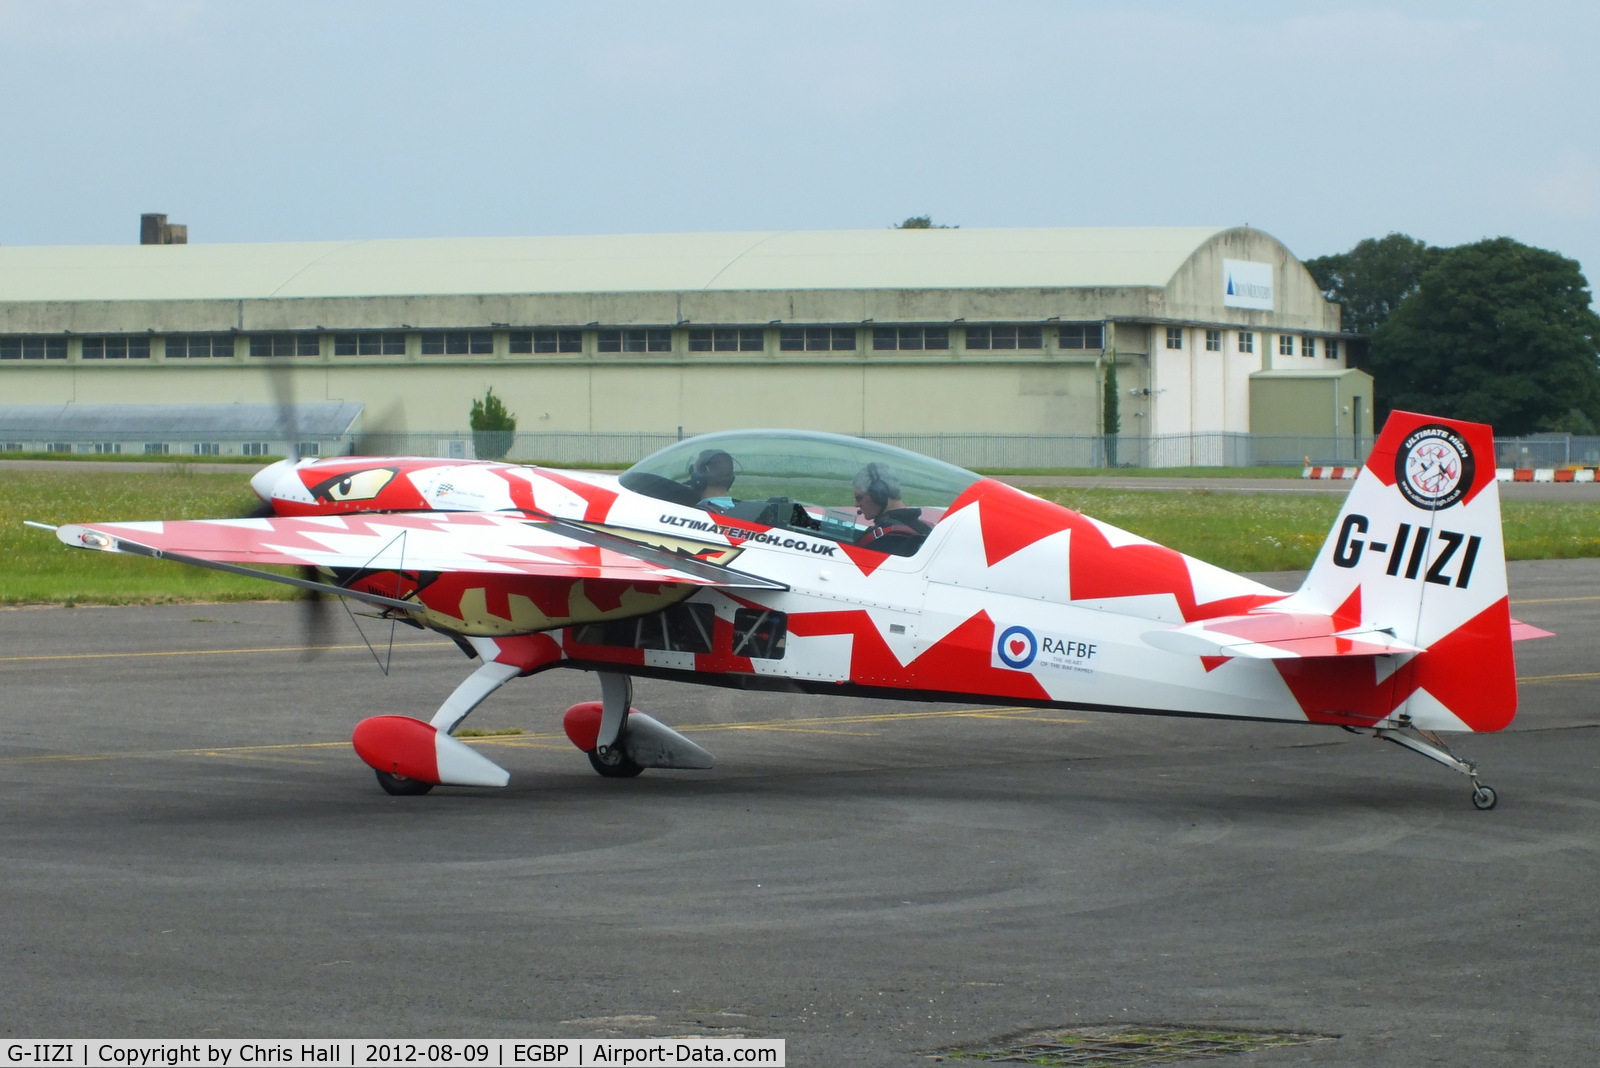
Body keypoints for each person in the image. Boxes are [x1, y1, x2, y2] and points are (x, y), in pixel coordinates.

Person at [851, 462, 932, 555]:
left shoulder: (885, 539)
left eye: (859, 498)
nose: (856, 504)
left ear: (879, 493)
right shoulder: (926, 529)